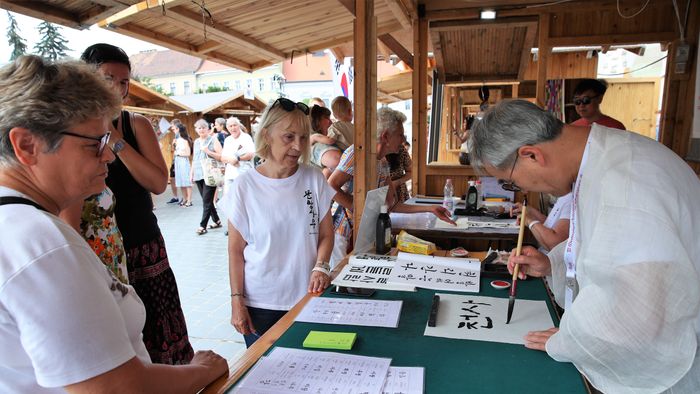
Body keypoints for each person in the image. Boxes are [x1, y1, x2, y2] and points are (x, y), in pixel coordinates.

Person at [0, 55, 227, 393]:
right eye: (95, 144)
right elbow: (115, 388)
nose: (108, 155)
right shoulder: (42, 243)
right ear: (28, 145)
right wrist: (201, 371)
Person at [468, 99, 700, 393]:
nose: (522, 191)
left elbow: (638, 317)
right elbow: (609, 255)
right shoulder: (603, 156)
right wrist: (552, 264)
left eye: (511, 182)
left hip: (666, 374)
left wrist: (569, 340)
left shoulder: (626, 183)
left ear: (531, 155)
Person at [81, 43, 195, 364]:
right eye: (107, 79)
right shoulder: (73, 130)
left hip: (143, 244)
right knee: (113, 340)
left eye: (123, 81)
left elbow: (158, 183)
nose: (117, 88)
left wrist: (115, 140)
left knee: (159, 333)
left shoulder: (135, 124)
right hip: (97, 250)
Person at [221, 98, 335, 348]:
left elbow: (326, 234)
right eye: (289, 137)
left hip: (308, 296)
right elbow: (235, 250)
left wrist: (321, 266)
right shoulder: (244, 186)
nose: (297, 146)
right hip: (261, 304)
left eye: (304, 138)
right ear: (267, 136)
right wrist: (236, 301)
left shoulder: (313, 178)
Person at [327, 108, 455, 267]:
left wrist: (430, 208)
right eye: (400, 135)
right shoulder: (357, 154)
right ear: (386, 136)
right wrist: (358, 206)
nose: (403, 140)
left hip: (363, 233)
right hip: (341, 234)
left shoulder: (382, 162)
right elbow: (330, 186)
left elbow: (392, 204)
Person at [190, 118, 223, 234]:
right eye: (199, 128)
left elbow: (221, 156)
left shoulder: (213, 140)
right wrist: (192, 173)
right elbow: (194, 159)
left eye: (203, 127)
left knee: (206, 201)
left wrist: (208, 151)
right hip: (199, 174)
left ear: (208, 128)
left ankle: (202, 226)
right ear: (196, 130)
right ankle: (217, 220)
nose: (201, 130)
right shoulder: (196, 142)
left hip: (210, 174)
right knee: (206, 200)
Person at [221, 116, 255, 196]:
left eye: (235, 125)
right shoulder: (227, 140)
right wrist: (231, 160)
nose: (233, 128)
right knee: (229, 199)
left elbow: (251, 154)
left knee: (245, 198)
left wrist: (238, 158)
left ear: (239, 126)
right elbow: (223, 158)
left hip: (244, 173)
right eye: (230, 126)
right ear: (227, 128)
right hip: (230, 174)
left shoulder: (246, 137)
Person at [309, 104, 341, 178]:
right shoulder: (316, 144)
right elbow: (336, 158)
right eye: (326, 118)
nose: (331, 122)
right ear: (316, 122)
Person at [385, 135, 412, 203]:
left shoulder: (401, 149)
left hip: (398, 191)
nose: (403, 139)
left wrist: (396, 183)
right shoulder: (373, 150)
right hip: (380, 191)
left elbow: (411, 172)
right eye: (399, 135)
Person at [173, 123, 193, 207]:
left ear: (178, 129)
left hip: (183, 161)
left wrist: (178, 153)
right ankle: (184, 199)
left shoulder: (185, 140)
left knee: (187, 181)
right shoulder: (177, 140)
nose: (174, 131)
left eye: (175, 129)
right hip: (177, 161)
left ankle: (189, 200)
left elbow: (188, 153)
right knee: (180, 181)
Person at [166, 119, 183, 204]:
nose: (171, 129)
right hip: (175, 159)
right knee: (172, 178)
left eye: (172, 127)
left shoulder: (183, 135)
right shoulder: (175, 136)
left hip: (181, 160)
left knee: (182, 178)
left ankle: (185, 197)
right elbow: (173, 149)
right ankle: (175, 197)